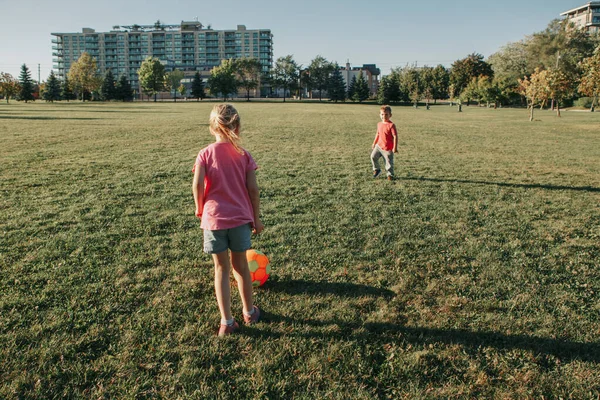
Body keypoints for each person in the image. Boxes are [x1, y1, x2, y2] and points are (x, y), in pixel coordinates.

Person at [192, 104, 264, 336]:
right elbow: (253, 190)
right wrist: (256, 218)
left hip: (214, 220)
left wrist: (199, 208)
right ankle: (249, 312)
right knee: (241, 267)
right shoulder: (244, 155)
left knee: (221, 268)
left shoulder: (204, 153)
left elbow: (197, 185)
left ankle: (227, 322)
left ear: (212, 127)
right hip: (240, 220)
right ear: (238, 127)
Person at [370, 105, 398, 181]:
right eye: (382, 114)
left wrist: (394, 148)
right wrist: (374, 143)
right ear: (380, 115)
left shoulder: (391, 125)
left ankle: (390, 175)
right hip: (378, 146)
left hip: (388, 148)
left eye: (386, 114)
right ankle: (377, 169)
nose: (384, 116)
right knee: (373, 157)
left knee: (389, 164)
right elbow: (378, 134)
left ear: (390, 115)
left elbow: (395, 136)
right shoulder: (379, 124)